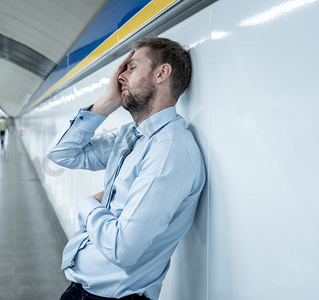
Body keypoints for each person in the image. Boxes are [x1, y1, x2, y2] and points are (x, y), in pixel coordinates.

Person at [47, 37, 206, 300]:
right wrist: (107, 102)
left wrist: (88, 205)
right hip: (85, 292)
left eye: (131, 67)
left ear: (162, 73)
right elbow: (62, 153)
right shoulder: (131, 137)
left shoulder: (168, 151)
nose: (120, 77)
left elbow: (124, 248)